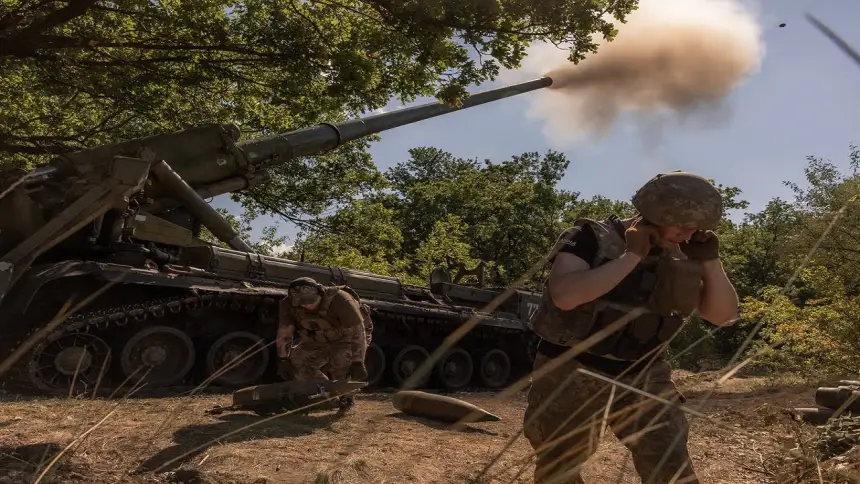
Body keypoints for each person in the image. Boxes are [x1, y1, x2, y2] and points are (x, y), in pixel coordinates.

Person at [522, 171, 739, 484]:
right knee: (559, 467)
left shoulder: (684, 254)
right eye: (680, 224)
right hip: (572, 368)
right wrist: (632, 256)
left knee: (671, 467)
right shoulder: (590, 236)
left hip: (644, 374)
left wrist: (710, 263)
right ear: (654, 212)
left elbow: (724, 317)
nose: (686, 234)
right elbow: (565, 296)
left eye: (695, 228)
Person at [274, 277, 373, 406]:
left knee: (342, 361)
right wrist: (282, 359)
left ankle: (346, 398)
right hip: (318, 338)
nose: (306, 305)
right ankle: (327, 394)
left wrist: (358, 362)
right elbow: (285, 333)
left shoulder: (340, 299)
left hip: (346, 337)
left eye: (310, 301)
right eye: (301, 302)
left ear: (320, 293)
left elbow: (358, 332)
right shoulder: (288, 304)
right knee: (297, 363)